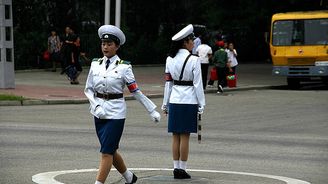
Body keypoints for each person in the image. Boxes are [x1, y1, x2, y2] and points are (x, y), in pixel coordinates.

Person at [84, 25, 161, 184]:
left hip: (116, 113)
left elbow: (135, 91)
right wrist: (96, 106)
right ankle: (129, 177)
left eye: (110, 44)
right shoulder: (95, 64)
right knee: (110, 149)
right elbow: (88, 89)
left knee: (106, 152)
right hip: (98, 112)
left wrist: (151, 109)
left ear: (117, 46)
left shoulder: (124, 67)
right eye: (103, 44)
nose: (105, 47)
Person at [162, 24, 205, 179]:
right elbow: (197, 84)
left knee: (175, 136)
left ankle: (175, 168)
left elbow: (168, 83)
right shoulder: (194, 60)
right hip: (189, 100)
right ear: (185, 42)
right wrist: (202, 103)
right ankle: (183, 168)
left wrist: (165, 104)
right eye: (191, 40)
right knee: (185, 136)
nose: (193, 42)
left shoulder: (169, 59)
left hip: (174, 99)